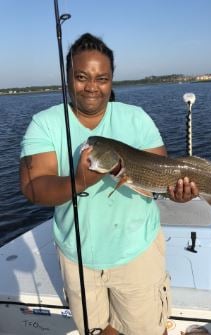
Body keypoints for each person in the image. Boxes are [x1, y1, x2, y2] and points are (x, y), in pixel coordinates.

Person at [20, 33, 199, 335]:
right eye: (81, 77)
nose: (92, 86)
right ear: (67, 78)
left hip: (137, 252)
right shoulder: (44, 123)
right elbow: (33, 187)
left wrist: (177, 192)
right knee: (98, 330)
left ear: (112, 80)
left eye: (101, 78)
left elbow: (161, 173)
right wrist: (78, 181)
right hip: (78, 256)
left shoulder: (136, 119)